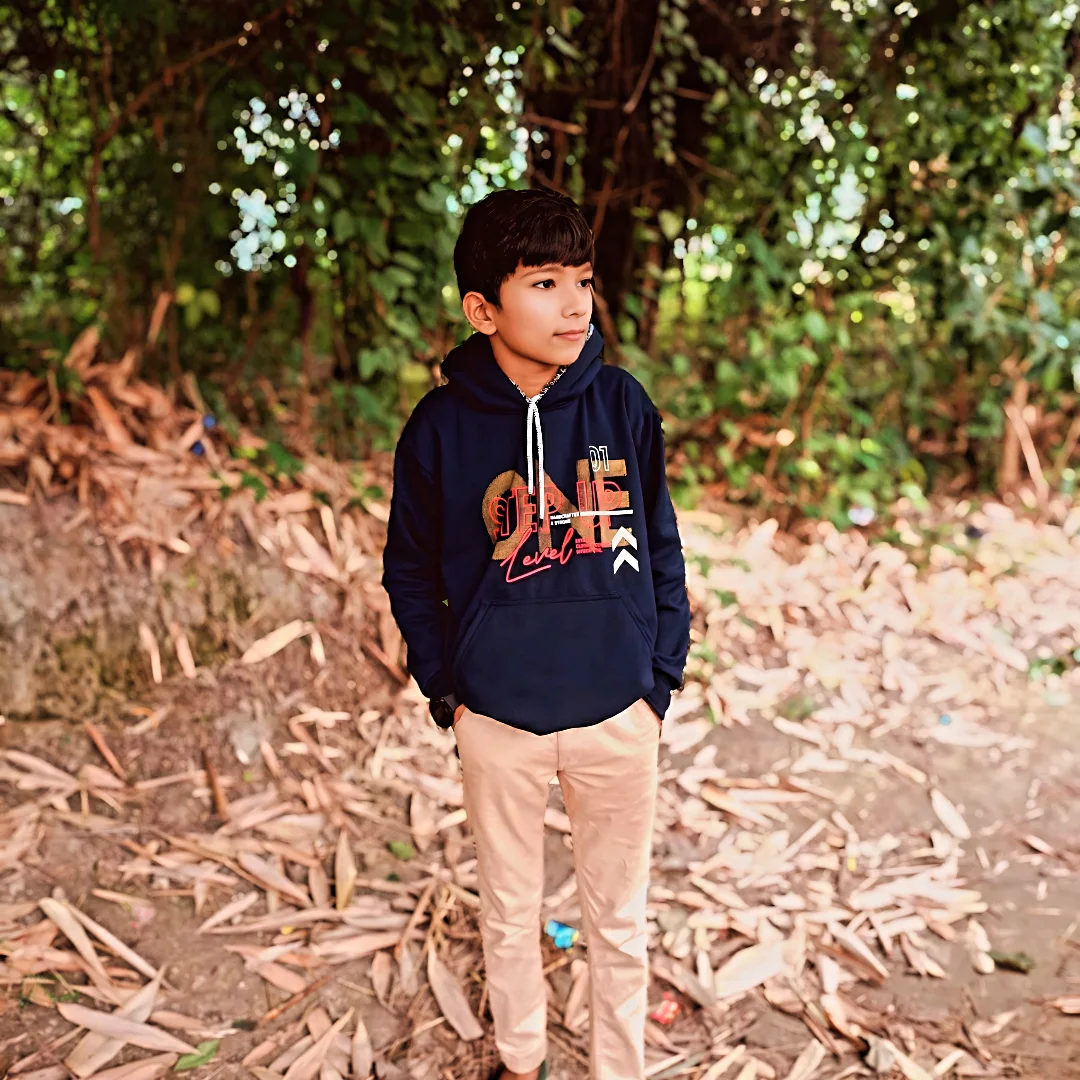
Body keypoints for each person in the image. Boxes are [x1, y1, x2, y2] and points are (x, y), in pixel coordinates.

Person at [383, 187, 690, 1080]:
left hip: (618, 712)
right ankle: (523, 1062)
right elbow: (410, 570)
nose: (574, 304)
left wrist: (658, 677)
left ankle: (619, 1069)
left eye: (582, 281)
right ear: (483, 310)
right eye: (545, 283)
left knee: (618, 920)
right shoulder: (439, 429)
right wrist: (450, 690)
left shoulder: (622, 406)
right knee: (510, 912)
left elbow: (661, 544)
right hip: (498, 720)